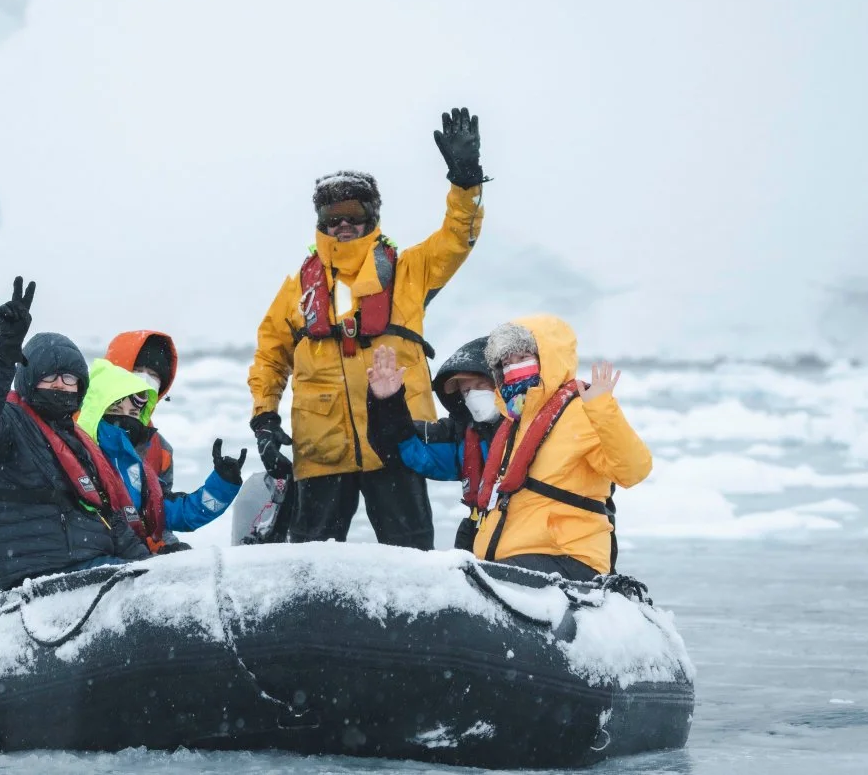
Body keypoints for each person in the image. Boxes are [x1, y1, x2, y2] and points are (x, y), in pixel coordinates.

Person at [247, 108, 488, 549]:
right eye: (332, 215)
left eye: (353, 213)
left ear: (371, 216)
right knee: (308, 564)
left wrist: (466, 181)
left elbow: (458, 236)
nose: (343, 224)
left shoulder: (410, 271)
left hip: (397, 442)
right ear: (320, 220)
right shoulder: (297, 288)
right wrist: (264, 417)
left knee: (410, 557)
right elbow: (270, 357)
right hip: (321, 448)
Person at [0, 277, 150, 589]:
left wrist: (151, 565)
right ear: (30, 380)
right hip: (38, 570)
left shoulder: (75, 441)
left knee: (152, 577)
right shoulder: (9, 424)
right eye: (50, 377)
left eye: (70, 379)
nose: (60, 385)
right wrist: (5, 354)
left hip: (87, 561)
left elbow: (109, 518)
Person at [470, 315, 651, 579]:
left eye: (522, 358)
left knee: (487, 578)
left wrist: (601, 408)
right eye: (505, 363)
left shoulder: (580, 412)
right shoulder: (516, 421)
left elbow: (633, 470)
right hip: (514, 558)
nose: (513, 369)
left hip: (567, 556)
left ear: (547, 357)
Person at [77, 358, 244, 549]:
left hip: (135, 560)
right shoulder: (78, 462)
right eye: (115, 410)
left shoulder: (138, 470)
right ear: (94, 413)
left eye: (133, 414)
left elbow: (177, 514)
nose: (125, 420)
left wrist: (221, 485)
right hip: (100, 563)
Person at [364, 337, 502, 550]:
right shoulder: (461, 435)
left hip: (534, 540)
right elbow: (403, 449)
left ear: (500, 382)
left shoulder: (537, 425)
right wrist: (387, 403)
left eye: (480, 385)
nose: (473, 395)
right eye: (466, 391)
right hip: (483, 535)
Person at [103, 330, 179, 493]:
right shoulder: (76, 427)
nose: (144, 379)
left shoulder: (161, 450)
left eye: (152, 375)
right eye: (137, 369)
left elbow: (162, 510)